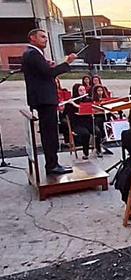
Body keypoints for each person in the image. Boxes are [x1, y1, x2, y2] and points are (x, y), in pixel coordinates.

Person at [22, 28, 77, 175]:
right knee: (50, 134)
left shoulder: (34, 54)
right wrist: (67, 62)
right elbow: (48, 73)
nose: (45, 39)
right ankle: (52, 165)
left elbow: (44, 71)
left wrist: (49, 65)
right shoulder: (33, 54)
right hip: (44, 100)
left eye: (46, 37)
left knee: (51, 133)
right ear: (32, 38)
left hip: (44, 99)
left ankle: (53, 163)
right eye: (42, 37)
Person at [61, 84, 96, 159]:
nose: (83, 92)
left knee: (98, 131)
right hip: (77, 124)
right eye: (80, 90)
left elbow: (85, 108)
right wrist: (68, 105)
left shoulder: (88, 99)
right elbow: (64, 115)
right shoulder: (70, 103)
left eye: (84, 90)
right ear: (76, 91)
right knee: (86, 134)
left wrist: (74, 104)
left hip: (88, 122)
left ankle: (98, 150)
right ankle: (85, 153)